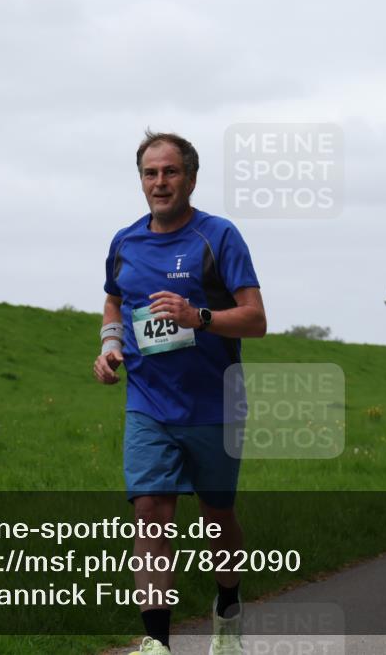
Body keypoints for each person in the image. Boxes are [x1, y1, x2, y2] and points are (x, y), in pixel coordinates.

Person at [95, 131, 267, 655]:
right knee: (149, 508)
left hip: (213, 404)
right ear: (141, 180)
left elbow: (256, 319)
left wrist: (200, 317)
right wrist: (109, 346)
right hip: (148, 402)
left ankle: (228, 606)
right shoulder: (125, 242)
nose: (160, 182)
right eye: (151, 173)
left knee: (217, 518)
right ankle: (156, 644)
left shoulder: (219, 237)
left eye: (170, 172)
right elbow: (112, 304)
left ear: (190, 178)